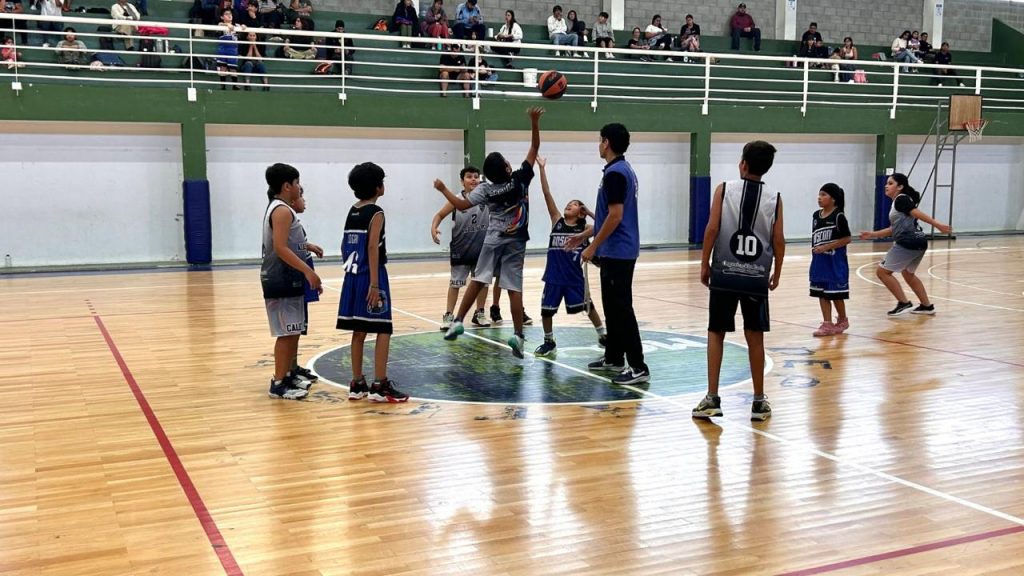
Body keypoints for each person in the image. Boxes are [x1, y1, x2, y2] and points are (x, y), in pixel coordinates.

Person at [433, 107, 545, 358]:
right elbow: (534, 148)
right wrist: (534, 122)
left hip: (493, 238)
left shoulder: (485, 190)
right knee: (514, 287)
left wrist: (443, 189)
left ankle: (458, 320)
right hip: (516, 241)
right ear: (507, 166)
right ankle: (518, 335)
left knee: (479, 278)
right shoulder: (520, 179)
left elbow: (461, 205)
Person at [692, 141, 784, 422]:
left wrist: (704, 262)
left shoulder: (724, 189)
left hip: (725, 273)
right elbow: (778, 240)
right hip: (756, 277)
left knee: (716, 332)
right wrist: (776, 272)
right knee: (755, 337)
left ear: (743, 164)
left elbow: (712, 228)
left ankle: (712, 398)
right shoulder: (774, 198)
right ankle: (758, 401)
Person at [569, 123, 650, 386]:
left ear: (606, 143)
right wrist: (584, 236)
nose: (598, 144)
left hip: (619, 250)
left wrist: (592, 247)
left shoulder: (616, 173)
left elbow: (616, 216)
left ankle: (638, 366)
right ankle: (614, 358)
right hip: (616, 249)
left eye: (600, 140)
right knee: (613, 307)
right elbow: (607, 216)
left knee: (621, 308)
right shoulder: (621, 170)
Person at [336, 162, 409, 403]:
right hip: (372, 276)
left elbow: (343, 245)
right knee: (383, 329)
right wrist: (375, 284)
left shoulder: (351, 210)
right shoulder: (376, 213)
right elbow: (372, 247)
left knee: (358, 330)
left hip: (352, 276)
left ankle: (357, 383)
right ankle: (379, 384)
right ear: (378, 186)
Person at [533, 156, 606, 357]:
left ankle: (602, 335)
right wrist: (542, 169)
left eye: (575, 205)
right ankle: (549, 340)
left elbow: (602, 225)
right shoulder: (556, 220)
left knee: (588, 307)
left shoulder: (586, 229)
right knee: (546, 311)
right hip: (554, 277)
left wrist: (589, 211)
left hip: (574, 278)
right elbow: (547, 193)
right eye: (569, 203)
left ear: (580, 213)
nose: (569, 205)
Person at [260, 163, 322, 401]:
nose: (299, 188)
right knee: (286, 333)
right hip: (281, 277)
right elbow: (280, 247)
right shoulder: (282, 210)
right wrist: (308, 272)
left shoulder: (283, 209)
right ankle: (278, 382)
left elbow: (289, 241)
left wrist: (307, 246)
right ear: (287, 186)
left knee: (293, 329)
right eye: (297, 183)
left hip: (288, 277)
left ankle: (288, 373)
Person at [859, 173, 952, 316]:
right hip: (919, 241)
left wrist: (937, 224)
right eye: (887, 183)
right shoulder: (900, 202)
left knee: (882, 272)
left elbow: (916, 212)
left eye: (890, 183)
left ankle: (903, 303)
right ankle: (926, 306)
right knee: (908, 274)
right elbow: (892, 229)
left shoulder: (901, 199)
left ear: (900, 187)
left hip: (908, 242)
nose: (886, 185)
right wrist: (872, 234)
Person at [430, 165, 492, 329]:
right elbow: (439, 215)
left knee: (483, 282)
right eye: (469, 176)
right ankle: (449, 315)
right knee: (455, 284)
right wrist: (433, 228)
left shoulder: (487, 198)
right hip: (462, 248)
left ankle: (479, 313)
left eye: (476, 176)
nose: (473, 179)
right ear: (462, 181)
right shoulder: (456, 199)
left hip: (482, 248)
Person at [287, 186, 325, 387]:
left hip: (304, 276)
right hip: (298, 277)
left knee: (300, 326)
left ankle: (293, 366)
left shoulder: (296, 223)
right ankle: (288, 369)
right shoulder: (286, 217)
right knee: (293, 327)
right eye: (302, 196)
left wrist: (308, 246)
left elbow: (296, 246)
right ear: (292, 200)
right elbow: (286, 248)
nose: (304, 200)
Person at [809, 183, 851, 336]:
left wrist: (826, 247)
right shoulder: (816, 216)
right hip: (819, 262)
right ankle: (827, 323)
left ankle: (842, 319)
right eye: (819, 194)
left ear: (833, 199)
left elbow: (847, 238)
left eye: (823, 195)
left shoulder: (839, 216)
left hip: (835, 262)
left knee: (835, 294)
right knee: (821, 293)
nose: (819, 198)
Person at [215, 10, 240, 90]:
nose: (229, 15)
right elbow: (219, 25)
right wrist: (227, 24)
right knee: (223, 67)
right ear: (222, 17)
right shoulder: (221, 25)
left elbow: (242, 28)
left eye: (230, 14)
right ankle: (223, 86)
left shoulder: (236, 25)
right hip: (223, 49)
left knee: (233, 68)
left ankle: (235, 85)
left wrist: (243, 26)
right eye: (226, 14)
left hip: (233, 49)